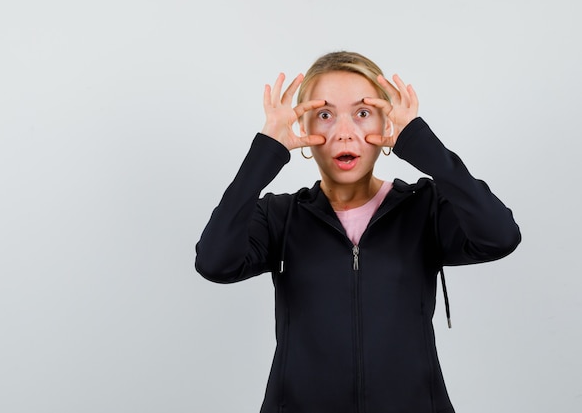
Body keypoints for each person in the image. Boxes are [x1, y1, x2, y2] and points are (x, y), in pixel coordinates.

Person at [194, 51, 521, 413]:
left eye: (363, 113)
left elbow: (500, 236)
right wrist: (266, 151)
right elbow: (214, 262)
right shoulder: (278, 216)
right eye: (325, 115)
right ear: (304, 128)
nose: (345, 133)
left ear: (386, 125)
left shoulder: (424, 208)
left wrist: (421, 144)